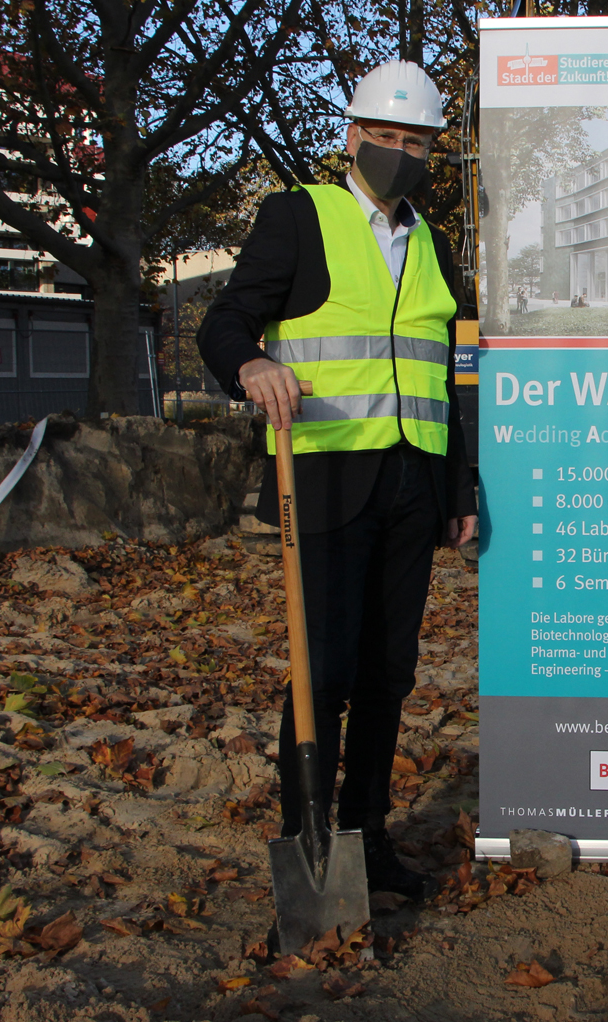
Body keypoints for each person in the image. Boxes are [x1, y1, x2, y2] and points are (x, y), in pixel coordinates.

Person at [196, 60, 476, 902]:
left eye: (416, 141)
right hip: (322, 479)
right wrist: (248, 365)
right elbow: (227, 318)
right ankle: (307, 841)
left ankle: (368, 835)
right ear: (352, 138)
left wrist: (459, 493)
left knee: (389, 672)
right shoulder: (298, 216)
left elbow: (451, 378)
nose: (399, 152)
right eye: (384, 136)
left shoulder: (435, 244)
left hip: (412, 484)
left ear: (433, 151)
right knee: (325, 673)